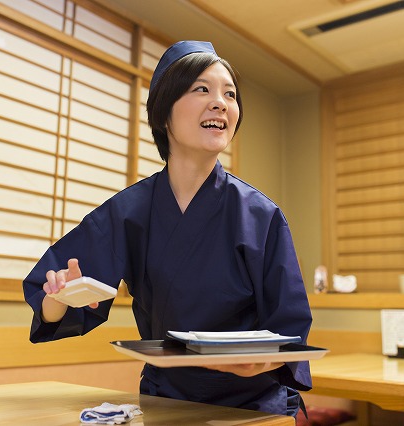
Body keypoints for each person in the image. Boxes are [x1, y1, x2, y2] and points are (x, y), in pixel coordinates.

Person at [23, 40, 312, 417]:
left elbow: (289, 333)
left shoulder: (261, 215)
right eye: (202, 89)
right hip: (165, 403)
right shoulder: (128, 212)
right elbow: (55, 305)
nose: (221, 102)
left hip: (252, 407)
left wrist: (261, 361)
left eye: (230, 93)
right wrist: (59, 295)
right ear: (163, 112)